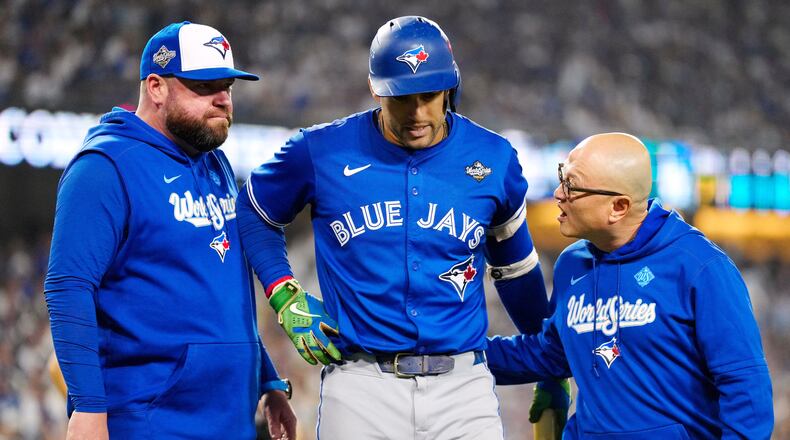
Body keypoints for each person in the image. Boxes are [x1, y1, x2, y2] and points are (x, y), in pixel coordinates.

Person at [236, 15, 566, 439]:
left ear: (450, 86)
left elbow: (515, 269)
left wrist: (550, 367)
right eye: (401, 97)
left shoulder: (494, 158)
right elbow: (254, 210)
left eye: (428, 95)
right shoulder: (319, 150)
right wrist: (284, 293)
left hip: (462, 387)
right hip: (359, 384)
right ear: (376, 90)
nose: (417, 112)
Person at [44, 21, 296, 439]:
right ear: (156, 87)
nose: (222, 100)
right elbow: (68, 286)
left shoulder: (213, 162)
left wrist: (267, 378)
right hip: (149, 420)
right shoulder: (104, 168)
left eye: (228, 87)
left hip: (228, 418)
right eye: (205, 86)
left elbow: (225, 291)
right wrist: (87, 410)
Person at [486, 132, 775, 439]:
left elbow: (746, 389)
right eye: (561, 176)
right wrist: (458, 352)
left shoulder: (700, 267)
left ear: (618, 207)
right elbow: (552, 354)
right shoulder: (571, 264)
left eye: (571, 185)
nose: (558, 193)